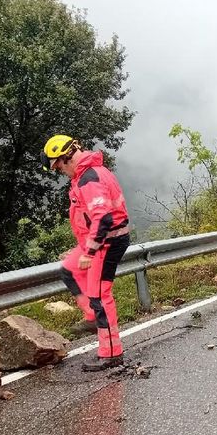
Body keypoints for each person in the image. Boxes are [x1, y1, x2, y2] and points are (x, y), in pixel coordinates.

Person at [44, 135, 131, 371]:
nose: (59, 170)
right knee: (69, 270)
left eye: (58, 165)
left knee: (101, 296)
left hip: (106, 242)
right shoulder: (85, 175)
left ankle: (111, 353)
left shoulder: (89, 179)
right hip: (94, 241)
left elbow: (102, 217)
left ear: (66, 156)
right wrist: (83, 248)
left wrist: (89, 252)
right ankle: (93, 318)